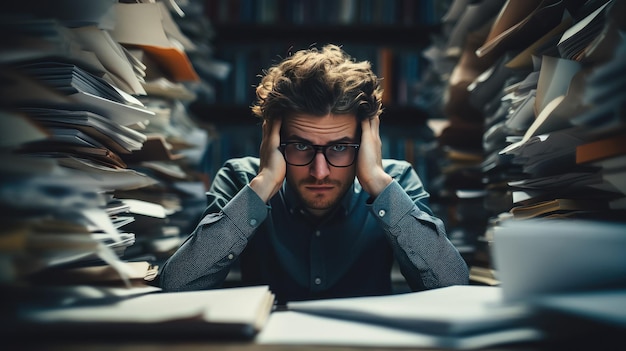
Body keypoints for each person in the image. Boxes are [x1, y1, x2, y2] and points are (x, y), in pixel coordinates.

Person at [160, 44, 469, 303]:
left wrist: (376, 179)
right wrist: (264, 183)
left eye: (339, 147)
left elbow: (453, 288)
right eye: (300, 146)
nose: (319, 172)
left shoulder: (395, 182)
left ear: (366, 143)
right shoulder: (241, 180)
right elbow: (177, 286)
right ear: (272, 140)